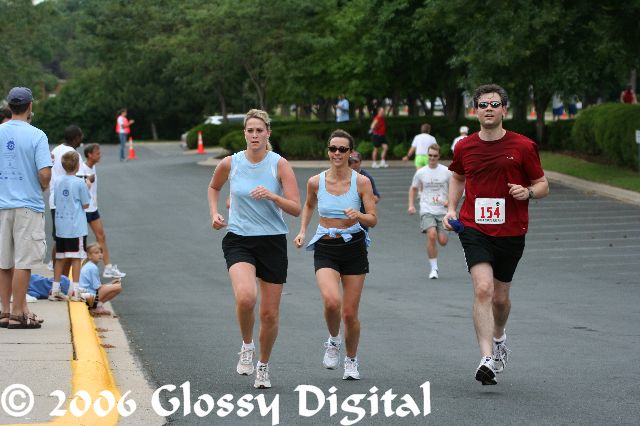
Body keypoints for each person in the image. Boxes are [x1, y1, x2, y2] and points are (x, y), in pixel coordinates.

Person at [443, 84, 549, 386]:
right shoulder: (464, 147)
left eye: (494, 104)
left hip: (511, 229)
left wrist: (528, 192)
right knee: (483, 289)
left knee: (501, 299)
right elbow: (458, 177)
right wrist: (451, 208)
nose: (488, 109)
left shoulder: (523, 146)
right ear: (475, 110)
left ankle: (499, 338)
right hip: (474, 227)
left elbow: (542, 184)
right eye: (483, 104)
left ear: (504, 109)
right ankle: (486, 357)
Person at [207, 109, 301, 389]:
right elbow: (214, 187)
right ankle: (247, 345)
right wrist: (214, 213)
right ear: (244, 134)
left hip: (272, 241)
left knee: (269, 314)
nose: (255, 135)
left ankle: (263, 365)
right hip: (239, 239)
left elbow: (295, 208)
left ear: (268, 133)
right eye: (250, 130)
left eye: (260, 130)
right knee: (247, 297)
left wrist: (272, 196)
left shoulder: (279, 164)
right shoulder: (231, 163)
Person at [294, 129, 377, 381]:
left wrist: (359, 215)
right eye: (333, 149)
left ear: (350, 152)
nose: (337, 153)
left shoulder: (361, 182)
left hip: (354, 247)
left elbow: (372, 219)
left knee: (350, 313)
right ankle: (333, 340)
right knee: (331, 301)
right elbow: (309, 205)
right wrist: (302, 231)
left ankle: (351, 361)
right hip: (326, 246)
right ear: (328, 151)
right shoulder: (315, 182)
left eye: (342, 149)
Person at [0, 87, 52, 329]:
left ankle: (4, 310)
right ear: (30, 106)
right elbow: (45, 173)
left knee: (4, 261)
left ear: (10, 106)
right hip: (27, 205)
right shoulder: (37, 135)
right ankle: (18, 313)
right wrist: (41, 186)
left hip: (2, 205)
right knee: (23, 261)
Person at [79, 143, 126, 279]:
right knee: (80, 241)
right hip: (83, 209)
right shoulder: (82, 168)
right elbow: (79, 188)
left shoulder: (93, 167)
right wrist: (87, 180)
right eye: (97, 153)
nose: (100, 155)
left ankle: (108, 268)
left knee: (101, 236)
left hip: (93, 208)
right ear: (89, 155)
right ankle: (80, 271)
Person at [50, 151, 91, 302]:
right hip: (76, 227)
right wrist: (88, 186)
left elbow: (55, 201)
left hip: (61, 227)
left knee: (60, 258)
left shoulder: (58, 181)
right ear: (78, 165)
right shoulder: (80, 183)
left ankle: (55, 290)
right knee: (76, 258)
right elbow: (86, 204)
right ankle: (74, 291)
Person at [408, 144, 451, 279]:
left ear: (439, 156)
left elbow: (456, 188)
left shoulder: (446, 171)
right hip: (427, 209)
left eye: (435, 156)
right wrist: (411, 205)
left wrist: (449, 201)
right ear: (427, 156)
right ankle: (434, 268)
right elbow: (413, 188)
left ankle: (441, 233)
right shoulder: (421, 172)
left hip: (442, 211)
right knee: (431, 235)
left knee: (443, 241)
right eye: (430, 155)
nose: (432, 158)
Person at [49, 125, 83, 270]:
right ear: (76, 138)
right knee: (70, 242)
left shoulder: (55, 150)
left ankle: (54, 269)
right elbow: (78, 179)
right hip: (68, 202)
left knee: (59, 240)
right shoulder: (74, 154)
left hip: (54, 199)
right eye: (80, 136)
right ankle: (63, 276)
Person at [79, 242, 122, 316]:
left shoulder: (89, 265)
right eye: (96, 253)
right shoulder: (92, 267)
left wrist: (110, 284)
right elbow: (97, 287)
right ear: (89, 256)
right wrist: (110, 285)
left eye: (101, 252)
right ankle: (96, 307)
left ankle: (97, 306)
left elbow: (96, 287)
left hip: (84, 296)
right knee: (118, 287)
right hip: (86, 297)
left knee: (115, 286)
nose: (100, 255)